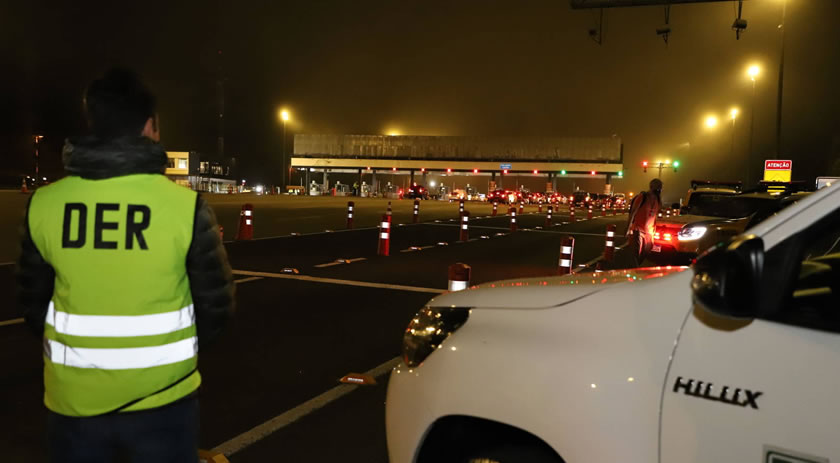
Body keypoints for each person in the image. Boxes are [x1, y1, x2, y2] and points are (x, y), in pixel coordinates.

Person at [16, 68, 235, 462]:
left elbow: (33, 304)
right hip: (164, 402)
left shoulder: (44, 205)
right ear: (150, 127)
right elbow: (215, 308)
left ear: (91, 122)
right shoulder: (185, 208)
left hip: (74, 406)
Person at [626, 178, 663, 267]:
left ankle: (636, 269)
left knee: (646, 253)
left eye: (660, 187)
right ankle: (634, 273)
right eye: (657, 187)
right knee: (636, 254)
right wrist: (628, 228)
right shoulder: (642, 197)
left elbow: (655, 216)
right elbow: (633, 212)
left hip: (650, 232)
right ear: (651, 187)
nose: (659, 189)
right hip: (638, 230)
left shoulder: (658, 200)